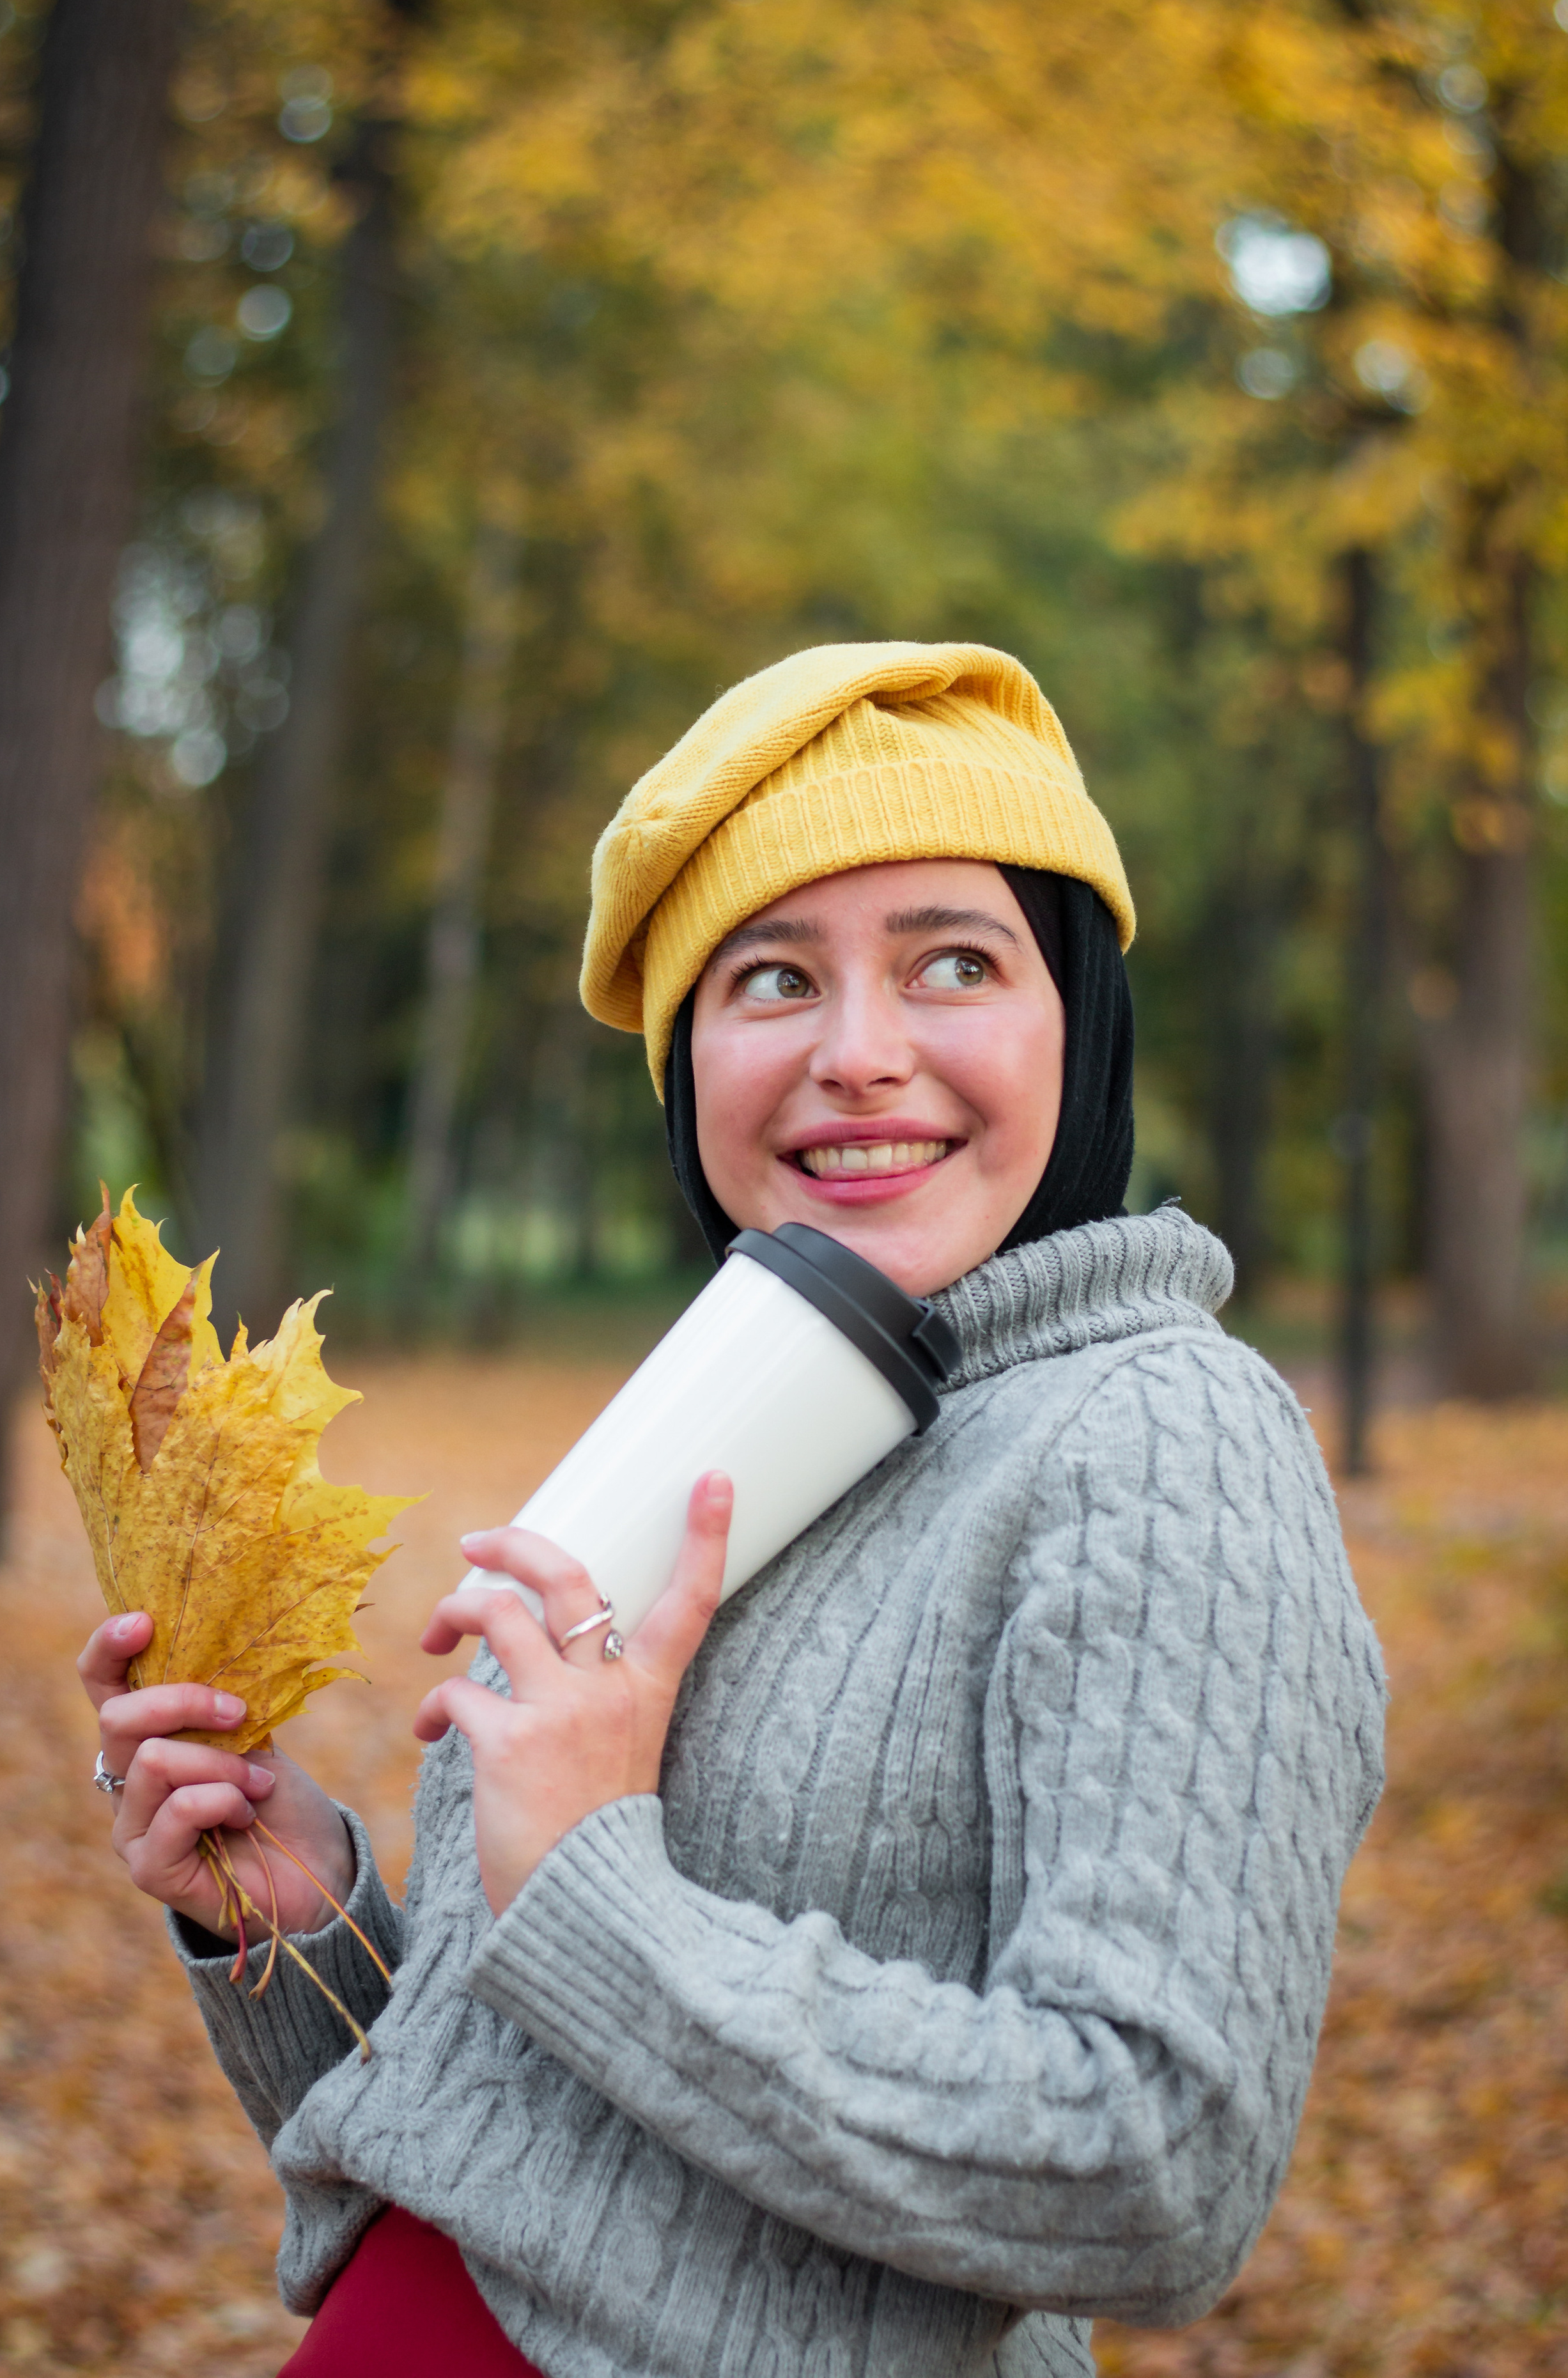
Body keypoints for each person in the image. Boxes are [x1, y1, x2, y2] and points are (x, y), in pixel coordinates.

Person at [77, 642, 1386, 2378]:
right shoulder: (733, 1408)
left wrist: (597, 1893)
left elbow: (1156, 2167)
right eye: (773, 979)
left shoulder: (1159, 1430)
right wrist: (307, 1923)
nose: (859, 1053)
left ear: (1079, 1019)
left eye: (955, 961)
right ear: (690, 1065)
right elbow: (532, 2164)